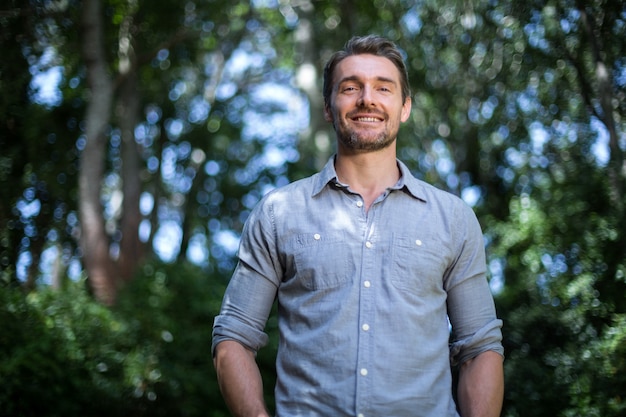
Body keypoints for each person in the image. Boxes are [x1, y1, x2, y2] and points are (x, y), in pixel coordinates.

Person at [212, 34, 504, 417]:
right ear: (329, 109)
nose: (367, 99)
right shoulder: (278, 213)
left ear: (404, 107)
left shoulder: (452, 218)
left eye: (384, 88)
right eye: (351, 88)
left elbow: (479, 348)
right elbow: (233, 337)